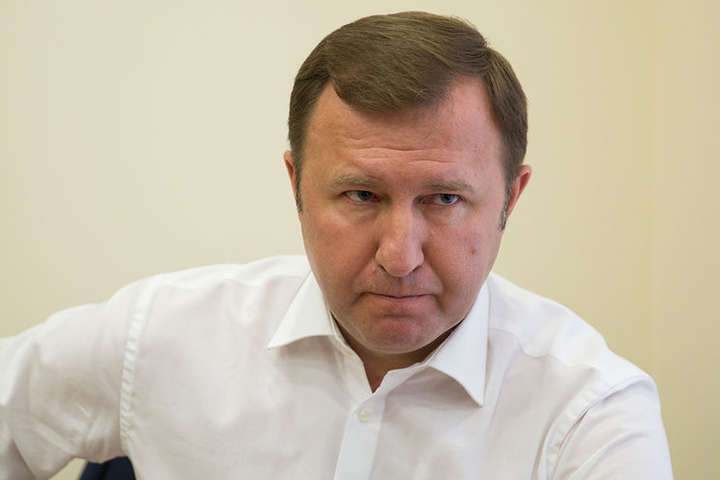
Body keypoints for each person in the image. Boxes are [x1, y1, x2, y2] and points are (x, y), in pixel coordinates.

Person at [0, 11, 672, 479]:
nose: (400, 256)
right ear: (297, 183)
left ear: (510, 200)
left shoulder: (588, 414)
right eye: (360, 195)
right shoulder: (161, 337)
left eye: (444, 199)